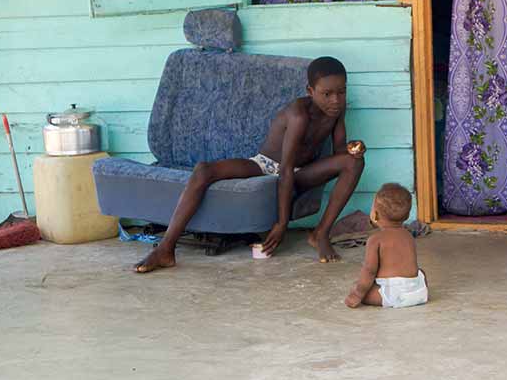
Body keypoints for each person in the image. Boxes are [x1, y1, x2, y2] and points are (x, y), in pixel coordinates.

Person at [134, 57, 365, 273]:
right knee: (204, 170)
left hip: (300, 173)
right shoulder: (298, 115)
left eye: (341, 92)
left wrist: (353, 148)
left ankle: (320, 233)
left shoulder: (336, 110)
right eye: (327, 94)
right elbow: (283, 169)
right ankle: (166, 248)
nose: (335, 100)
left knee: (353, 162)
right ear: (310, 91)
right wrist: (281, 223)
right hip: (266, 165)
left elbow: (338, 151)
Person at [345, 183, 428, 309]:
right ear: (406, 216)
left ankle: (367, 293)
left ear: (375, 215)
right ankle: (419, 291)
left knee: (364, 290)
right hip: (418, 293)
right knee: (421, 272)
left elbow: (369, 270)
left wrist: (358, 293)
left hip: (394, 295)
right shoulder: (409, 236)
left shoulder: (375, 240)